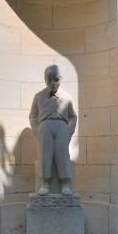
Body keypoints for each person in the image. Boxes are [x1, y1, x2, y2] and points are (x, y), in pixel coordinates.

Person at [29, 65, 77, 196]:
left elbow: (73, 116)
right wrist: (36, 129)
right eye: (49, 80)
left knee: (62, 154)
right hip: (44, 128)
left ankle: (65, 184)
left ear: (60, 79)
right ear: (45, 79)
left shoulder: (67, 97)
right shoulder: (38, 96)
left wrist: (69, 131)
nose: (52, 83)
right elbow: (33, 115)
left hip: (61, 127)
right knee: (45, 154)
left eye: (55, 79)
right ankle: (45, 183)